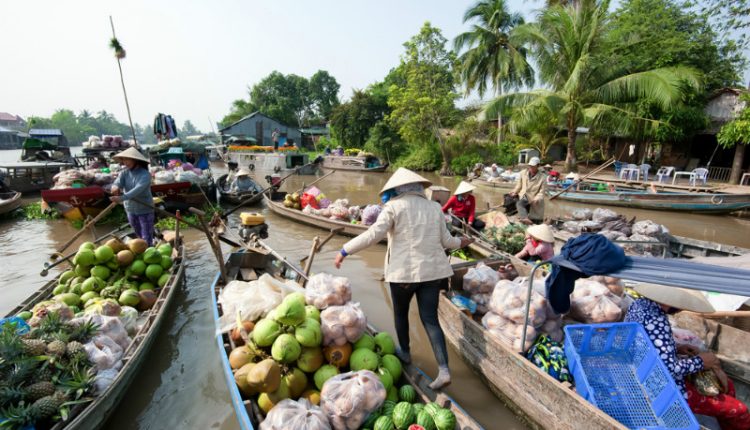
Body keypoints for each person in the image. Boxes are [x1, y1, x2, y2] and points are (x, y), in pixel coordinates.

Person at [333, 168, 473, 390]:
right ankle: (444, 369)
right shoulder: (435, 207)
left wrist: (344, 250)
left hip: (404, 275)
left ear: (398, 189)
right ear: (419, 188)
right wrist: (462, 242)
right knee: (430, 320)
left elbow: (373, 235)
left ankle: (405, 353)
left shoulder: (393, 207)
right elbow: (446, 241)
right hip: (432, 274)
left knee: (400, 313)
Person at [625, 283, 750, 430]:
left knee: (727, 386)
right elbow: (668, 370)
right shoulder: (657, 320)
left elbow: (647, 343)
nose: (681, 308)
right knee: (740, 410)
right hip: (662, 389)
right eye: (680, 305)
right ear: (668, 301)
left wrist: (676, 348)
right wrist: (701, 362)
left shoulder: (640, 305)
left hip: (642, 372)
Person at [110, 147, 155, 246]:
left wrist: (122, 198)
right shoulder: (124, 173)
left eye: (127, 159)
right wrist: (115, 187)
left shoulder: (145, 175)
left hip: (145, 209)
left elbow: (138, 190)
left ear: (135, 160)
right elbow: (117, 182)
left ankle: (149, 249)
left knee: (146, 235)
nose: (125, 162)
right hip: (130, 208)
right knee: (137, 232)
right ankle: (142, 248)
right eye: (124, 159)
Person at [509, 156, 546, 224]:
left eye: (533, 166)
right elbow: (519, 185)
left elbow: (542, 191)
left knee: (535, 218)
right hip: (524, 195)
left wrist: (537, 198)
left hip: (534, 197)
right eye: (530, 166)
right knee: (519, 203)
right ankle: (525, 219)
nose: (531, 167)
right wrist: (514, 192)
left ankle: (528, 220)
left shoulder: (542, 177)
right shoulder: (523, 173)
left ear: (538, 166)